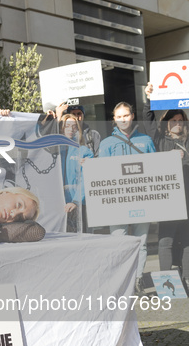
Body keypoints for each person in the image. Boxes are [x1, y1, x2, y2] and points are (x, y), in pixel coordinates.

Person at [99, 101, 156, 292]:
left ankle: (138, 279)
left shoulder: (146, 141)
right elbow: (102, 175)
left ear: (132, 116)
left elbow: (156, 169)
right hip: (117, 201)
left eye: (126, 115)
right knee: (119, 243)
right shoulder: (107, 144)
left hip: (141, 199)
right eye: (119, 116)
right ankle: (122, 281)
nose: (123, 119)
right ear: (114, 119)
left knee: (141, 243)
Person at [143, 83, 189, 287]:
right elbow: (148, 121)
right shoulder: (159, 140)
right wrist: (149, 99)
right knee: (165, 242)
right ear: (167, 123)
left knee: (188, 243)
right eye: (173, 120)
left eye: (180, 120)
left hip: (187, 201)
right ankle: (167, 286)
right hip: (168, 202)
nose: (177, 123)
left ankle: (187, 280)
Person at [60, 113, 93, 232]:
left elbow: (87, 179)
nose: (71, 129)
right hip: (59, 204)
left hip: (79, 205)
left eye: (74, 126)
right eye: (67, 125)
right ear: (61, 128)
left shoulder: (84, 151)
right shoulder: (55, 151)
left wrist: (76, 201)